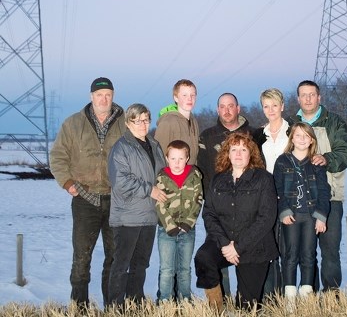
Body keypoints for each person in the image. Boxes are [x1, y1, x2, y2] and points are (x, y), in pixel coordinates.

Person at [49, 77, 125, 309]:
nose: (104, 99)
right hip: (85, 199)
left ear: (113, 96)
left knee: (115, 257)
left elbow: (138, 153)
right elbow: (57, 157)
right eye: (99, 95)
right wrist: (68, 183)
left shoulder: (125, 123)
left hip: (117, 200)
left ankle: (112, 307)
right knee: (82, 258)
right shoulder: (73, 124)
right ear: (91, 96)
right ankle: (79, 308)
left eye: (108, 95)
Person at [194, 132, 278, 311]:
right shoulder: (218, 179)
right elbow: (209, 214)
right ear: (227, 153)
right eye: (234, 149)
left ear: (251, 153)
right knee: (203, 258)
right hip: (223, 240)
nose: (238, 154)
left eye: (243, 149)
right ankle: (216, 308)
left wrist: (237, 247)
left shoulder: (264, 179)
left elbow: (266, 218)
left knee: (246, 307)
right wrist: (224, 244)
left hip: (255, 246)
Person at [292, 80, 347, 292]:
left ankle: (331, 295)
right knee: (305, 253)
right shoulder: (291, 124)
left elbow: (345, 152)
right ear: (298, 98)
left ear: (319, 97)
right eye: (303, 95)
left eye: (312, 94)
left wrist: (327, 159)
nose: (308, 99)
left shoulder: (334, 122)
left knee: (330, 250)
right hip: (300, 200)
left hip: (330, 198)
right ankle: (310, 295)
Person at [107, 103, 166, 309]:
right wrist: (150, 190)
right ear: (128, 123)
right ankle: (115, 307)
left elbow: (163, 174)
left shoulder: (154, 145)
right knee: (121, 265)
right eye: (137, 120)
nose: (143, 124)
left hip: (149, 216)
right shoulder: (121, 147)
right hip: (127, 217)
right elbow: (120, 181)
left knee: (141, 265)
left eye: (146, 119)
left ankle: (135, 304)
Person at [273, 123, 330, 305]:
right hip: (291, 216)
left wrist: (321, 216)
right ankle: (289, 300)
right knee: (289, 256)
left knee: (308, 256)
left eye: (306, 136)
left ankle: (306, 299)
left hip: (311, 217)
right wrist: (283, 210)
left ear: (312, 140)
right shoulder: (282, 161)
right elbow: (277, 188)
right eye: (298, 135)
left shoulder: (316, 163)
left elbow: (323, 191)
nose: (302, 139)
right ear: (292, 138)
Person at [253, 88, 291, 298]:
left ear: (282, 106)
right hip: (266, 199)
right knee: (269, 250)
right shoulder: (258, 135)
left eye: (274, 105)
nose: (271, 110)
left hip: (290, 198)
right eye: (266, 106)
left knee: (289, 250)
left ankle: (290, 298)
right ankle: (270, 298)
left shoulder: (294, 131)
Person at [155, 140, 203, 302]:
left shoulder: (194, 176)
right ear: (167, 158)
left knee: (184, 270)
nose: (177, 163)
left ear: (187, 158)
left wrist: (187, 223)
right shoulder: (162, 178)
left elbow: (198, 200)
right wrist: (170, 226)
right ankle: (165, 302)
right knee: (167, 269)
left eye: (181, 158)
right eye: (173, 158)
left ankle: (186, 300)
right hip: (166, 231)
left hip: (187, 231)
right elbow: (159, 204)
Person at [198, 92, 253, 195]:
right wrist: (209, 197)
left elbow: (259, 167)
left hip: (248, 198)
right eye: (222, 107)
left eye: (230, 106)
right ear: (218, 110)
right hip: (216, 199)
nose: (226, 111)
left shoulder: (253, 135)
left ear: (238, 108)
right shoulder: (206, 137)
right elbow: (201, 170)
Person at [155, 79, 199, 165]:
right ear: (176, 98)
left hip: (190, 176)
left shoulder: (194, 121)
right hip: (172, 177)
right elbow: (158, 156)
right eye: (184, 95)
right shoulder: (167, 122)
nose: (189, 99)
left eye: (192, 95)